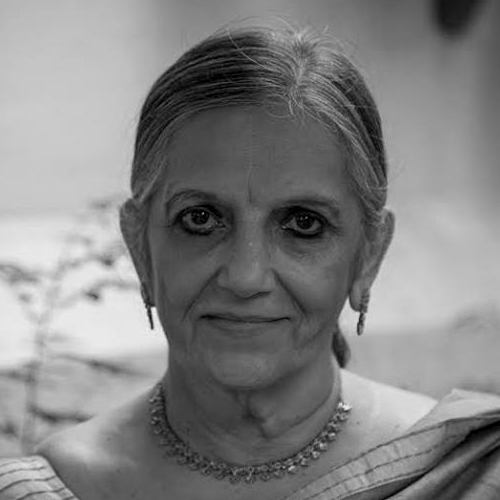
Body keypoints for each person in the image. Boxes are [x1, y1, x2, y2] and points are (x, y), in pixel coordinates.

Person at [1, 22, 500, 500]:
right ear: (138, 245)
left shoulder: (470, 477)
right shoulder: (59, 489)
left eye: (303, 223)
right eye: (200, 219)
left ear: (368, 255)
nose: (245, 277)